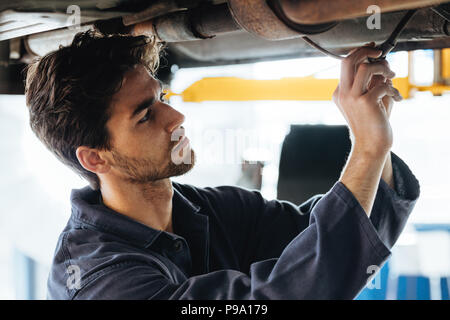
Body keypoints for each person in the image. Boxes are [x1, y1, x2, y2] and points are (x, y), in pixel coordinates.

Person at [25, 30, 419, 300]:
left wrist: (376, 139)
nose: (175, 116)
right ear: (95, 157)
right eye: (145, 115)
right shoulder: (100, 280)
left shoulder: (206, 211)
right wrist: (367, 149)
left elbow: (335, 236)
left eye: (160, 96)